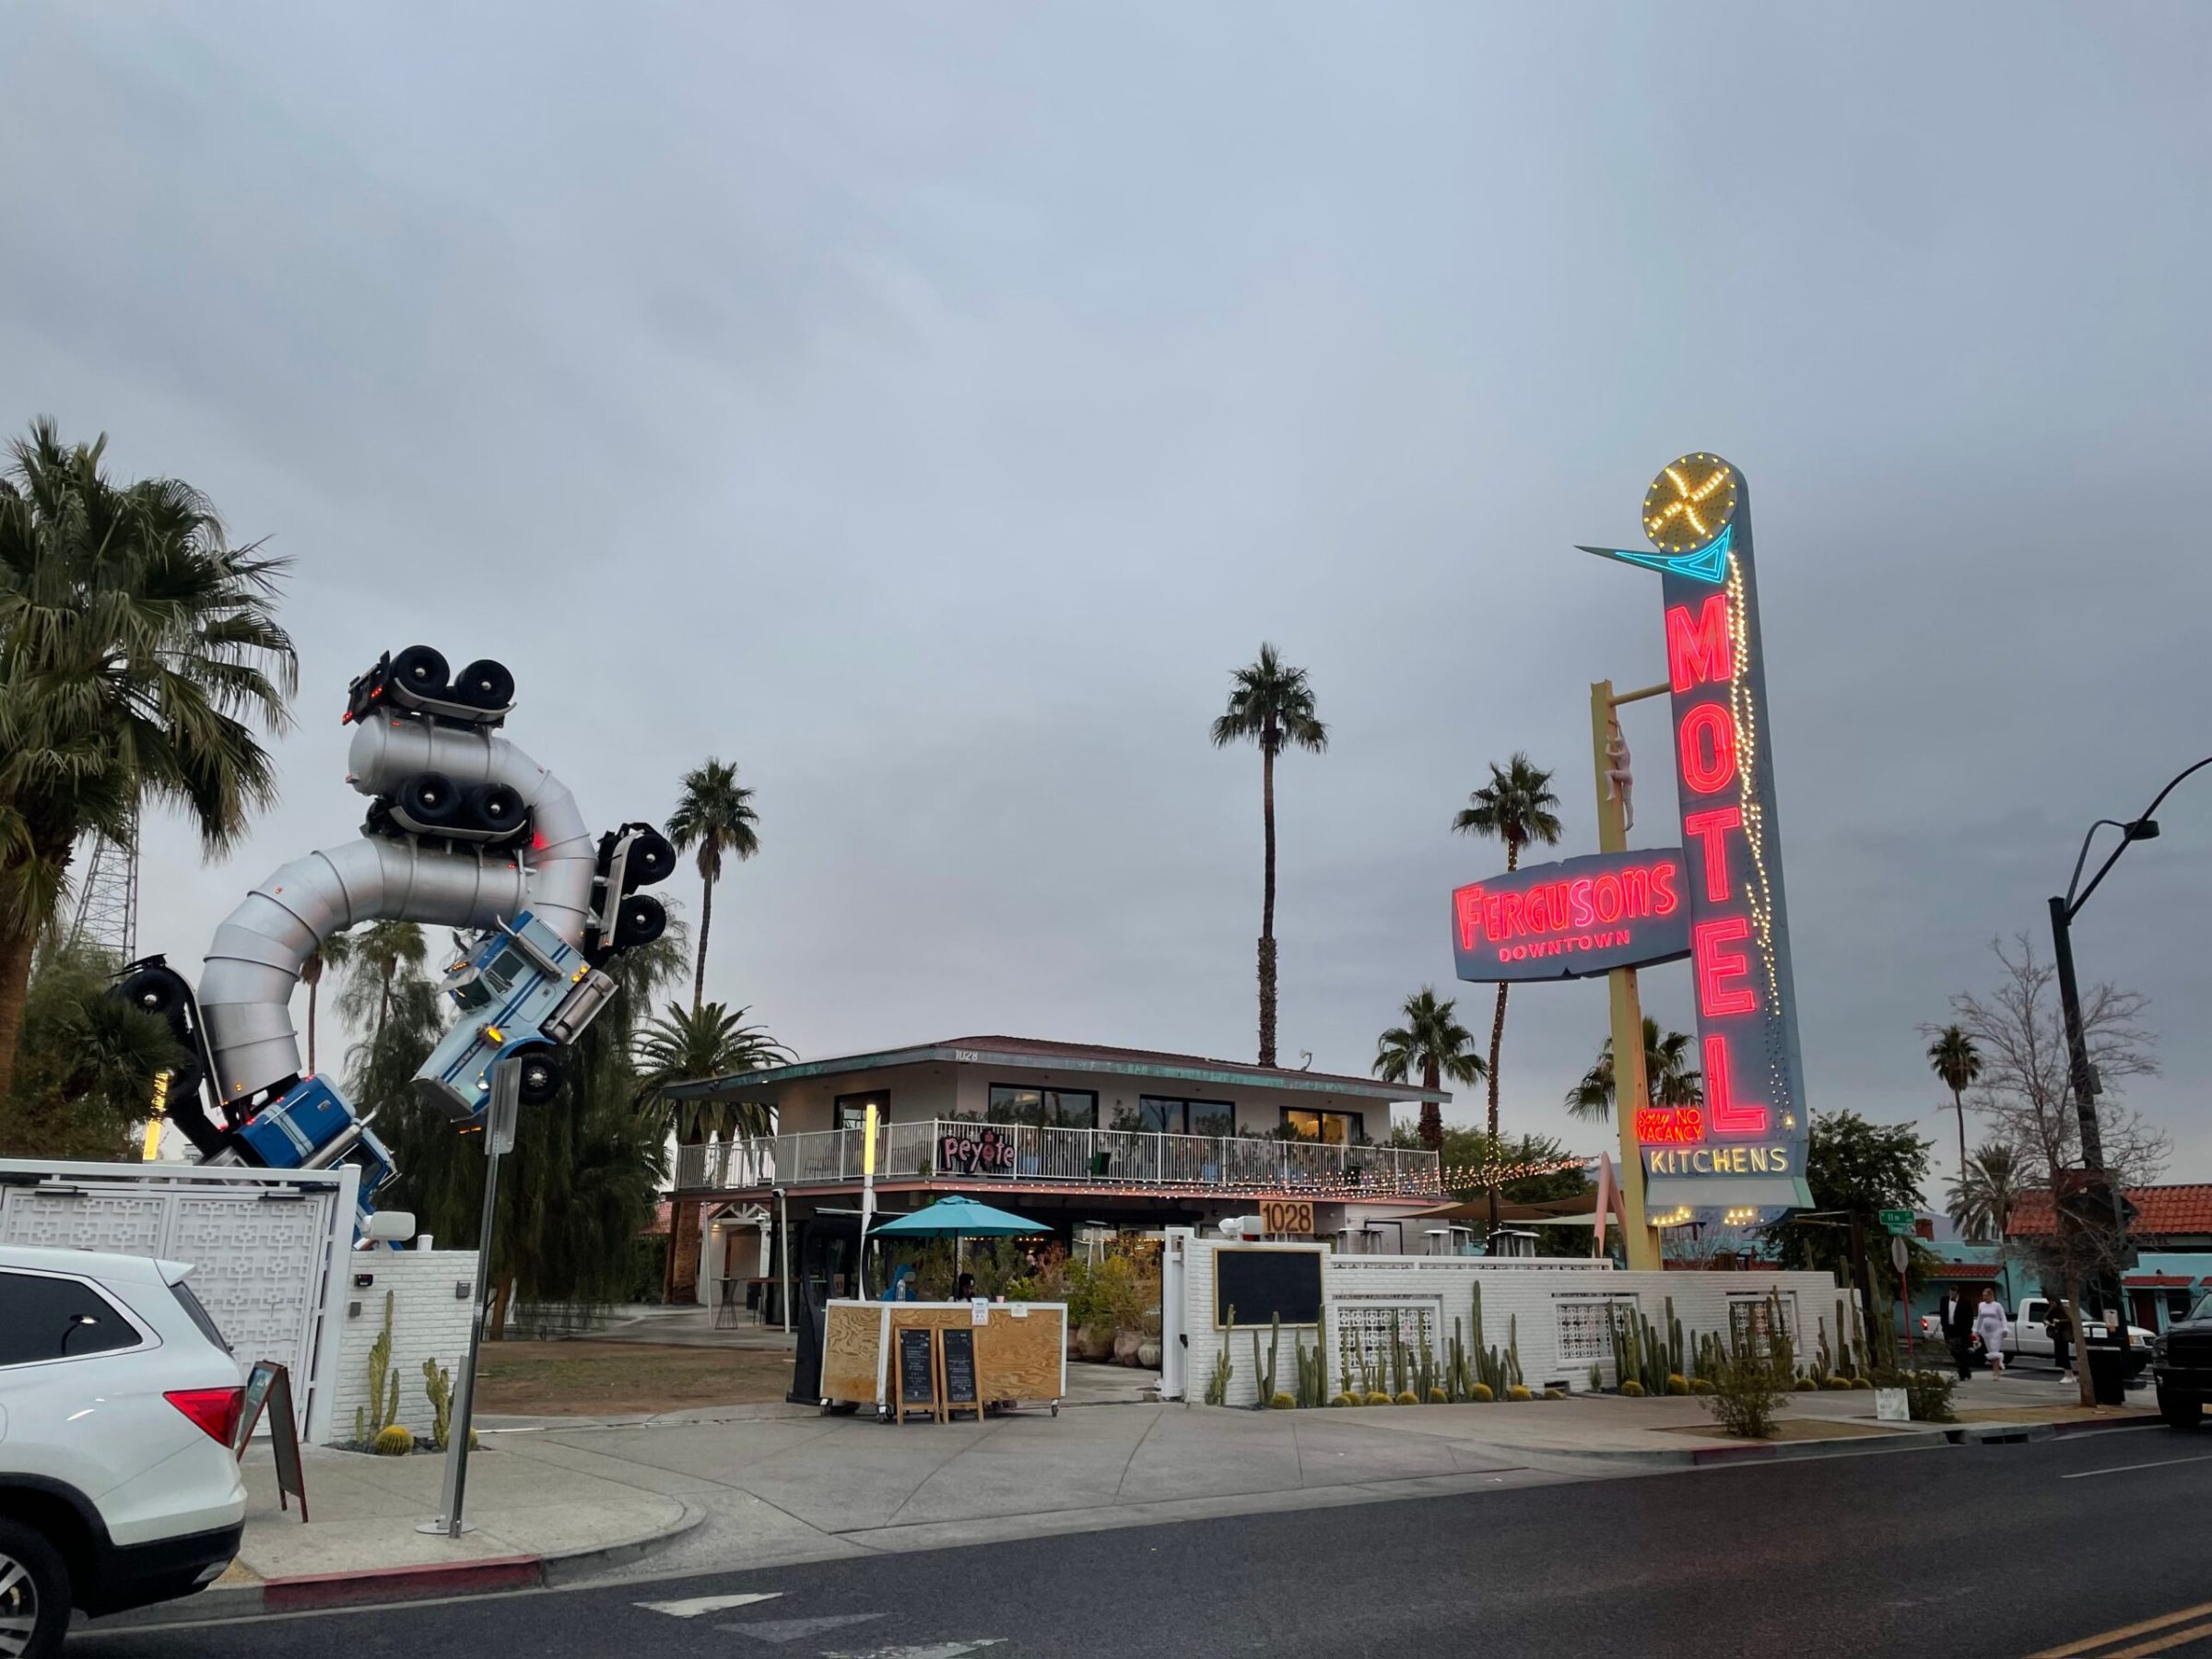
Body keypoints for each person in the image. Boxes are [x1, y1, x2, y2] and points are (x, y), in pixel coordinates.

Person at [1937, 1285, 1976, 1381]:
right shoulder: (1944, 1300)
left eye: (1953, 1293)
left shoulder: (1965, 1302)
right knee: (1953, 1351)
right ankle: (1963, 1370)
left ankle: (1964, 1372)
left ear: (1957, 1293)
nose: (1952, 1295)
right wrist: (1944, 1326)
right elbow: (1942, 1314)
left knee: (1962, 1351)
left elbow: (1969, 1317)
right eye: (1950, 1293)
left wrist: (1967, 1330)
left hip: (1961, 1330)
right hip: (1949, 1329)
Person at [1975, 1285, 2010, 1377]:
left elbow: (2003, 1317)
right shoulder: (1981, 1305)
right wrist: (1977, 1330)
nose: (1984, 1297)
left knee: (1995, 1348)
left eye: (1986, 1295)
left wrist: (2005, 1329)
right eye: (1983, 1295)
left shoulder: (1997, 1305)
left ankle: (1996, 1371)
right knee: (1990, 1351)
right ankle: (1995, 1368)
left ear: (1991, 1295)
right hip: (1986, 1331)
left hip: (1996, 1330)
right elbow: (1980, 1318)